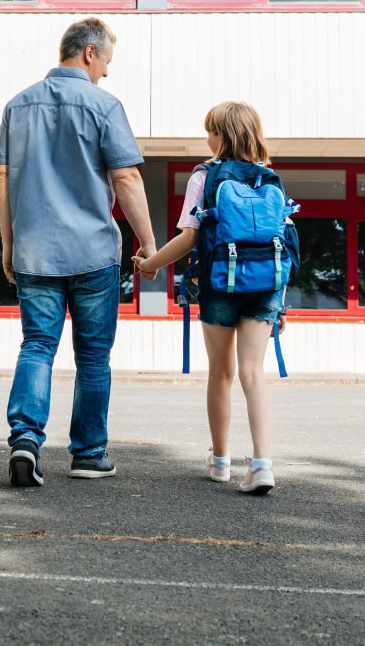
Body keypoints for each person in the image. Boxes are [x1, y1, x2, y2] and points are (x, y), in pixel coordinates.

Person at [0, 17, 155, 487]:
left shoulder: (17, 106)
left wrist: (9, 243)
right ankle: (88, 454)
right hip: (93, 254)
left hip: (35, 252)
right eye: (106, 61)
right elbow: (126, 178)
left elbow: (2, 180)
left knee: (37, 346)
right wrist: (149, 244)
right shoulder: (104, 105)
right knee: (93, 356)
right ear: (89, 53)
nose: (106, 71)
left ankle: (25, 440)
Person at [134, 102, 285, 495]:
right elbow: (281, 243)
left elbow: (189, 237)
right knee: (253, 373)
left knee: (221, 372)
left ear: (223, 135)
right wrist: (279, 302)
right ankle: (262, 465)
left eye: (210, 131)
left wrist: (151, 263)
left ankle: (220, 461)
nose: (207, 138)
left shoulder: (205, 175)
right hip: (266, 285)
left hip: (220, 283)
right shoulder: (271, 179)